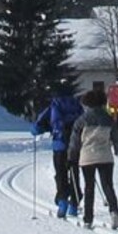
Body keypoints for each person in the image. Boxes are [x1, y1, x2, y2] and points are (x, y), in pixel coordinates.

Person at [70, 87, 118, 229]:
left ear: (87, 104)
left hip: (87, 157)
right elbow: (116, 136)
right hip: (106, 156)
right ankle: (114, 211)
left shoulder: (81, 120)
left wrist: (72, 157)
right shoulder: (108, 118)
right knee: (108, 186)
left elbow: (75, 141)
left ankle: (88, 219)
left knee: (89, 188)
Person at [32, 87, 84, 218]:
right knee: (74, 172)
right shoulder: (76, 104)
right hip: (75, 145)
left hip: (59, 144)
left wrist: (36, 130)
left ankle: (62, 201)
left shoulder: (54, 105)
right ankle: (74, 202)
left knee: (60, 173)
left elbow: (38, 125)